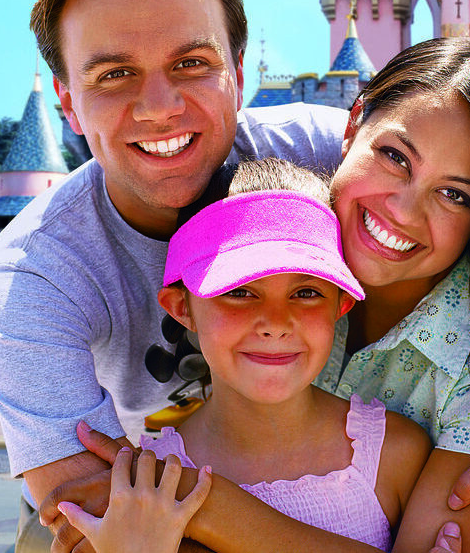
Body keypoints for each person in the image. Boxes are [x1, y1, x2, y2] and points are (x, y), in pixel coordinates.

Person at [0, 0, 470, 553]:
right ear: (68, 103)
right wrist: (190, 502)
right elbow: (99, 520)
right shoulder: (26, 283)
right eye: (113, 74)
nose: (159, 106)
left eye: (191, 63)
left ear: (237, 74)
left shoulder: (310, 159)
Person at [80, 38, 470, 552]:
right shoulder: (287, 224)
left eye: (454, 194)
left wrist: (203, 504)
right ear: (352, 124)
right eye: (395, 157)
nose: (403, 210)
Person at [64, 158, 433, 550]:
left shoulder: (395, 453)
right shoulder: (145, 491)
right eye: (239, 292)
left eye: (306, 293)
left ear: (340, 305)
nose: (275, 323)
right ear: (182, 307)